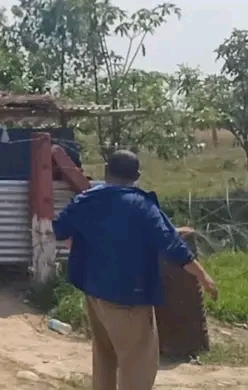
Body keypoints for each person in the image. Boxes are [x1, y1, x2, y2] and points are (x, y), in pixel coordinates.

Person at [53, 150, 219, 390]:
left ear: (106, 172)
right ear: (137, 176)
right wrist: (203, 276)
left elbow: (60, 229)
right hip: (129, 297)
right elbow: (172, 244)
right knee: (138, 362)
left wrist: (82, 247)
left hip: (95, 293)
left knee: (105, 354)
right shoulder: (141, 206)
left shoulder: (86, 199)